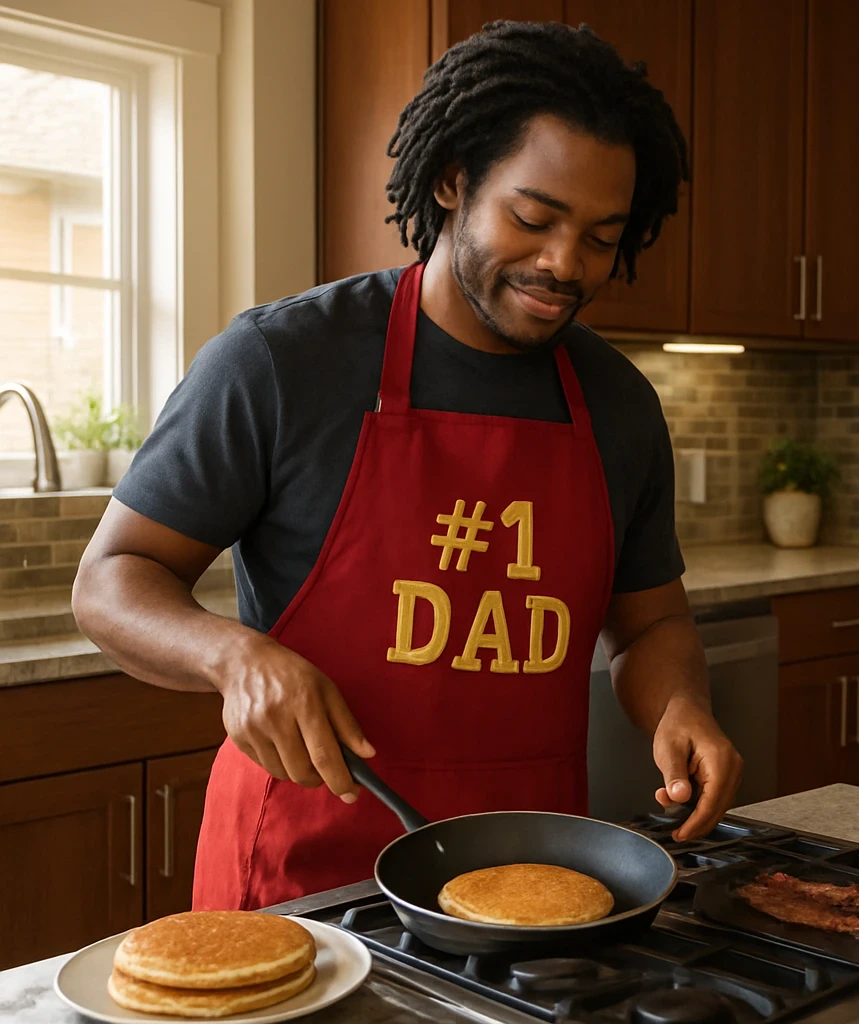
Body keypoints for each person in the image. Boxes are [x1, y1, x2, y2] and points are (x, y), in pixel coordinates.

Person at [71, 21, 743, 911]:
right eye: (534, 218)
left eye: (601, 237)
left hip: (527, 887)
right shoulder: (282, 361)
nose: (564, 263)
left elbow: (652, 627)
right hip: (302, 886)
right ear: (452, 181)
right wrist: (235, 658)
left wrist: (679, 708)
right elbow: (111, 580)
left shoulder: (616, 404)